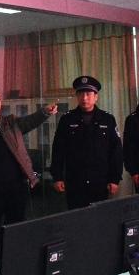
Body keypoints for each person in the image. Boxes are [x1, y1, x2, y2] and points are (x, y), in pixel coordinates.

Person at [0, 86, 57, 227]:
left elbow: (30, 121)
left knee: (16, 228)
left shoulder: (11, 123)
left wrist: (44, 112)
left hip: (16, 187)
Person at [50, 76, 123, 209]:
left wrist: (115, 179)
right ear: (77, 96)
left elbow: (116, 151)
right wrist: (57, 177)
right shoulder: (67, 119)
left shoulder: (107, 119)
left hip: (100, 181)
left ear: (96, 97)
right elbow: (58, 150)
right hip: (75, 181)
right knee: (76, 217)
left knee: (99, 216)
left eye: (88, 94)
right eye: (81, 94)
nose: (84, 98)